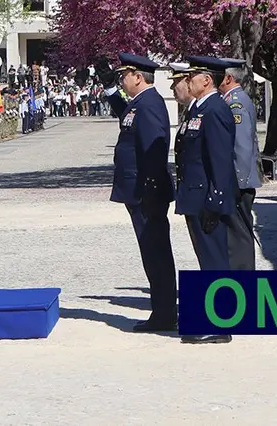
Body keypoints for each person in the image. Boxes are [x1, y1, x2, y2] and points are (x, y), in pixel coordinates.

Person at [98, 54, 177, 332]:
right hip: (140, 190)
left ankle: (165, 313)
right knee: (151, 251)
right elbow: (126, 117)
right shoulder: (139, 103)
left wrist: (152, 189)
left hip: (147, 192)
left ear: (138, 77)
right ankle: (163, 309)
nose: (122, 80)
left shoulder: (150, 104)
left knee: (156, 251)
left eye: (124, 76)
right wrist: (110, 89)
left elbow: (154, 149)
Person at [173, 57, 240, 345]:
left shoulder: (215, 109)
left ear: (207, 81)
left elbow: (221, 160)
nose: (187, 81)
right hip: (195, 194)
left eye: (193, 76)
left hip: (206, 197)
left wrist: (216, 199)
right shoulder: (199, 109)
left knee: (215, 260)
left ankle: (221, 324)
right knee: (206, 259)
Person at [218, 58, 261, 271]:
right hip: (236, 180)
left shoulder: (235, 102)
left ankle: (243, 284)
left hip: (238, 182)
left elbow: (241, 145)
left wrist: (237, 182)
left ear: (228, 78)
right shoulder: (230, 99)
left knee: (239, 236)